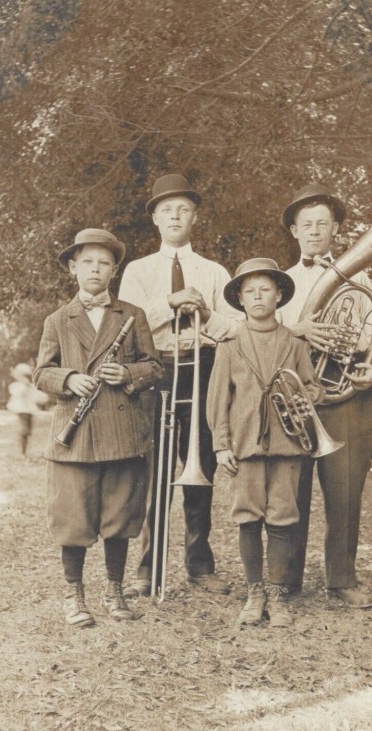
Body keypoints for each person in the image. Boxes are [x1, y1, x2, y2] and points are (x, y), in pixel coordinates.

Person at [118, 174, 243, 597]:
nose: (175, 215)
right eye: (166, 209)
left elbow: (235, 330)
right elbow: (126, 327)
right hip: (155, 371)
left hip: (203, 367)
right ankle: (146, 567)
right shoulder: (137, 271)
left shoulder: (214, 271)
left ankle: (199, 566)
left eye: (183, 208)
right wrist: (167, 303)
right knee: (153, 474)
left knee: (200, 471)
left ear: (195, 217)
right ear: (154, 218)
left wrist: (205, 314)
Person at [33, 228, 163, 628]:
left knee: (120, 518)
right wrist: (70, 379)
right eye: (87, 261)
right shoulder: (58, 319)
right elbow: (41, 373)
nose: (95, 269)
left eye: (104, 262)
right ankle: (74, 595)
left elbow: (155, 367)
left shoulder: (132, 315)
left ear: (114, 270)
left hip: (122, 432)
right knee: (73, 519)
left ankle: (114, 590)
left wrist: (126, 372)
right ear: (73, 268)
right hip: (74, 438)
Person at [279, 183, 372, 608]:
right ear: (294, 231)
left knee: (346, 491)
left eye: (323, 224)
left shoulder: (361, 279)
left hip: (346, 401)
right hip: (296, 401)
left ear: (335, 230)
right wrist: (299, 330)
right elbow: (264, 340)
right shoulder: (281, 283)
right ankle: (286, 578)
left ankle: (342, 578)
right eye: (306, 224)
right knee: (290, 492)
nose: (314, 231)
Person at [207, 258, 324, 626]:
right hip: (244, 445)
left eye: (266, 290)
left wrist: (308, 395)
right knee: (247, 518)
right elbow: (217, 400)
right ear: (240, 299)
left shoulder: (295, 342)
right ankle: (254, 592)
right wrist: (221, 445)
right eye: (250, 292)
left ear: (279, 295)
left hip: (289, 445)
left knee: (283, 519)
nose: (258, 297)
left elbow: (313, 385)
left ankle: (279, 594)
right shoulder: (229, 344)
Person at [7, 363, 48, 455]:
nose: (26, 379)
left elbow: (40, 398)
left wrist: (33, 390)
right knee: (24, 430)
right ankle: (21, 451)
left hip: (29, 411)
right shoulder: (16, 386)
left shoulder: (31, 387)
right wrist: (25, 386)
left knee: (28, 431)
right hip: (21, 410)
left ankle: (23, 449)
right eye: (23, 376)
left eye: (27, 376)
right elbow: (18, 393)